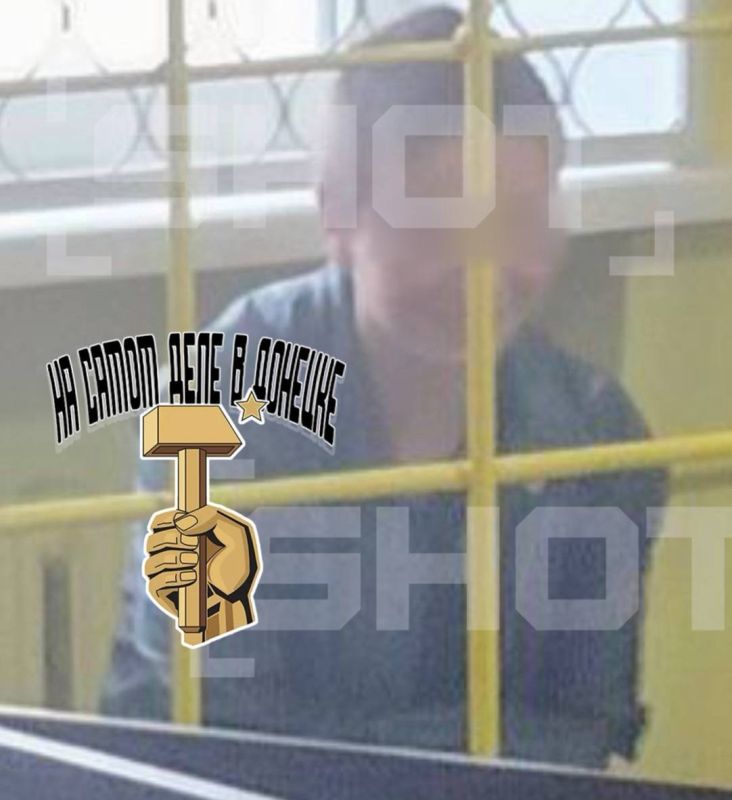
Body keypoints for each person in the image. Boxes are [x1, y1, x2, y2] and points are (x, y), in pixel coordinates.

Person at [102, 6, 667, 768]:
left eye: (519, 222)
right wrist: (457, 751)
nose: (484, 272)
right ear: (338, 216)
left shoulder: (600, 437)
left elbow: (580, 738)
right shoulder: (215, 404)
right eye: (439, 227)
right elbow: (224, 738)